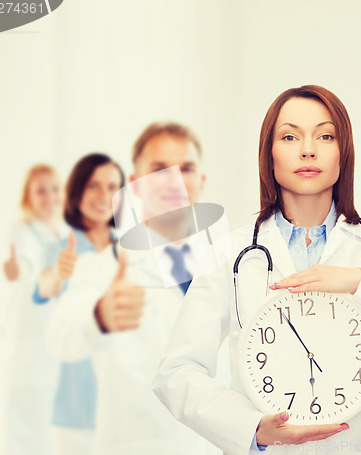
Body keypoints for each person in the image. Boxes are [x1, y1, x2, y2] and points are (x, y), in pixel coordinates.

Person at [152, 85, 361, 455]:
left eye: (325, 136)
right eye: (290, 136)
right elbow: (176, 372)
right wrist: (252, 429)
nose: (308, 149)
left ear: (343, 154)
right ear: (270, 154)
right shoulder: (229, 254)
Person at [46, 122, 226, 455]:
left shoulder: (235, 264)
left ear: (201, 182)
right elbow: (60, 335)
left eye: (186, 168)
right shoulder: (105, 267)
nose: (174, 180)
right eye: (159, 169)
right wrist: (98, 316)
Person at [34, 153, 125, 455]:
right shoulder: (62, 248)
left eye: (112, 186)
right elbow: (43, 288)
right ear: (77, 191)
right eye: (93, 186)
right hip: (77, 402)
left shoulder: (129, 247)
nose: (103, 196)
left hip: (125, 396)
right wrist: (57, 275)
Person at [1, 164, 66, 455]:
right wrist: (18, 269)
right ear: (28, 197)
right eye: (40, 190)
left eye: (54, 189)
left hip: (54, 342)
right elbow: (25, 262)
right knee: (25, 427)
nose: (49, 196)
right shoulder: (23, 230)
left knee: (48, 429)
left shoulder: (64, 233)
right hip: (30, 342)